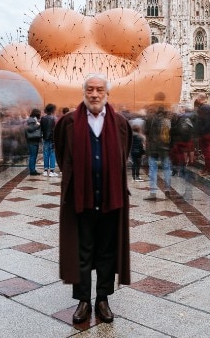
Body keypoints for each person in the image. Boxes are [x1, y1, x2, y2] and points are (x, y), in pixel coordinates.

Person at [54, 73, 132, 324]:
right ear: (84, 92)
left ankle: (103, 299)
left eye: (99, 90)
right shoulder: (68, 122)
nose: (95, 94)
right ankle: (84, 300)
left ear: (107, 93)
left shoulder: (120, 123)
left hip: (111, 199)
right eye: (90, 89)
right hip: (81, 200)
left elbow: (123, 155)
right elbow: (62, 155)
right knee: (82, 250)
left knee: (107, 251)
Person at [144, 105, 172, 200]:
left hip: (153, 148)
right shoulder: (168, 121)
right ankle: (167, 189)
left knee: (153, 169)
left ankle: (153, 193)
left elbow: (146, 132)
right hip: (165, 148)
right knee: (166, 169)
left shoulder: (150, 119)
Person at [40, 103, 59, 177]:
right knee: (52, 154)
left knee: (45, 154)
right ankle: (52, 171)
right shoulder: (55, 119)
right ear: (53, 110)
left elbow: (41, 129)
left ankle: (45, 170)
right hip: (52, 138)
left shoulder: (43, 118)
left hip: (45, 138)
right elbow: (56, 129)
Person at [24, 108, 43, 175]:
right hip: (32, 140)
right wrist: (38, 124)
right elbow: (31, 129)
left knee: (34, 155)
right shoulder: (31, 120)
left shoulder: (33, 119)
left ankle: (33, 169)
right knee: (33, 156)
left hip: (34, 140)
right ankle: (32, 170)